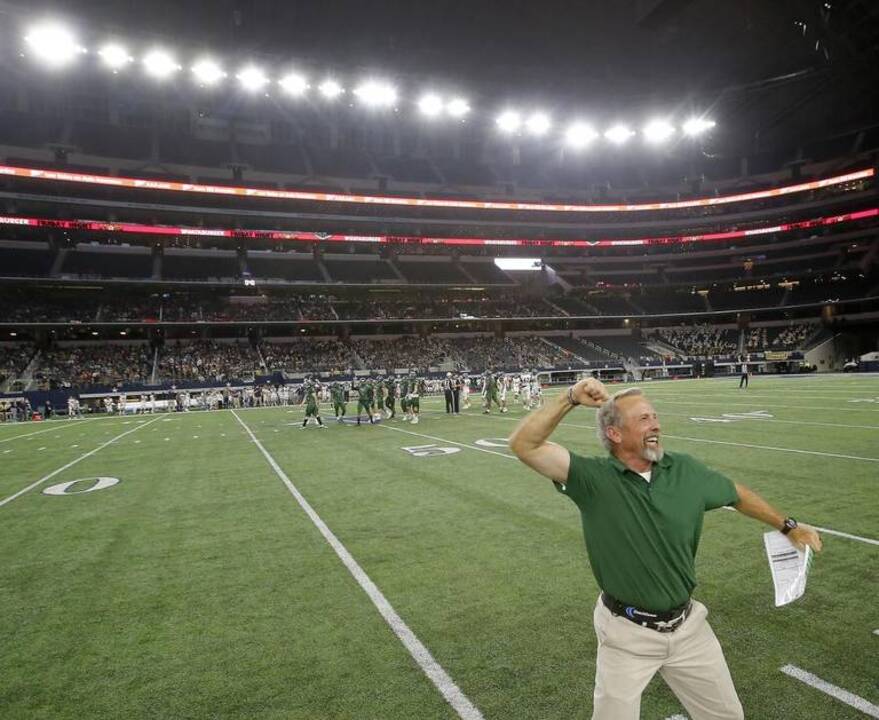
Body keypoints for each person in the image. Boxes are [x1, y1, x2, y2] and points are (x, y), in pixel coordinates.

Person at [509, 380, 822, 720]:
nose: (656, 424)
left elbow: (736, 494)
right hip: (626, 633)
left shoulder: (684, 470)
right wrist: (569, 398)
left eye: (655, 416)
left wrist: (788, 526)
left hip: (688, 627)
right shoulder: (593, 479)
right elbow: (524, 444)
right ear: (615, 434)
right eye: (644, 419)